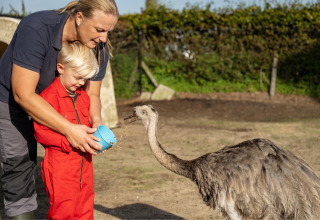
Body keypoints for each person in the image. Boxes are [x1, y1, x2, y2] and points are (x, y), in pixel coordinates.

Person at [0, 0, 118, 218]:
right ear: (79, 17)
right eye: (100, 30)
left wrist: (97, 123)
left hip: (54, 101)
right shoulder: (36, 28)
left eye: (108, 31)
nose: (104, 38)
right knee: (19, 164)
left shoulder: (99, 48)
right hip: (12, 100)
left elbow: (92, 94)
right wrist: (69, 130)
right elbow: (23, 94)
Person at [33, 42, 99, 219]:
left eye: (85, 79)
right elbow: (41, 131)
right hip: (60, 166)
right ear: (60, 68)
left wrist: (97, 139)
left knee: (85, 206)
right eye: (78, 77)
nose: (81, 83)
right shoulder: (48, 98)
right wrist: (68, 140)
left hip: (85, 165)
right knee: (64, 210)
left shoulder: (82, 96)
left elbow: (88, 125)